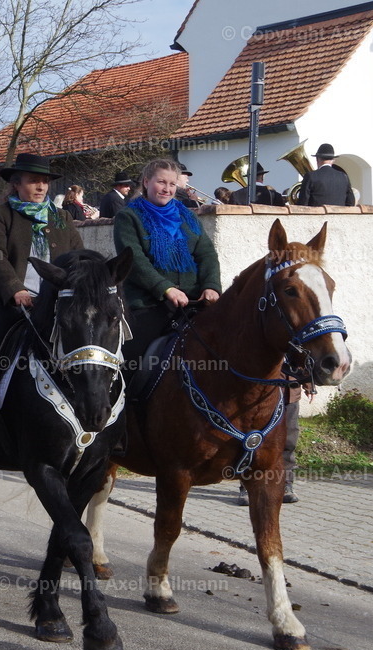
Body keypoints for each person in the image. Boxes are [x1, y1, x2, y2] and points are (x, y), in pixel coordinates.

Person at [0, 153, 84, 433]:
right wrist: (15, 289)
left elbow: (77, 257)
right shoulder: (1, 216)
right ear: (16, 184)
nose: (40, 187)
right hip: (6, 297)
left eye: (44, 182)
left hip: (52, 300)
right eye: (33, 181)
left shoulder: (61, 218)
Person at [113, 158, 221, 366]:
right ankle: (130, 397)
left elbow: (207, 254)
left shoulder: (188, 217)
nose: (167, 189)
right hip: (149, 303)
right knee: (134, 359)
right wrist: (166, 289)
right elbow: (134, 261)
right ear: (146, 182)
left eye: (172, 184)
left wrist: (211, 286)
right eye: (161, 182)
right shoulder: (128, 217)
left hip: (194, 300)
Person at [239, 376, 308, 505]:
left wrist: (309, 385)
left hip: (290, 393)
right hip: (264, 395)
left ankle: (286, 485)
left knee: (289, 440)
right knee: (254, 441)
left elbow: (303, 358)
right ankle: (246, 487)